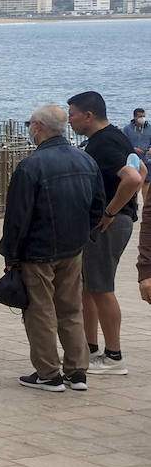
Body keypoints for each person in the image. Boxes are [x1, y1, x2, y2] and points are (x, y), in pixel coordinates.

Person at [0, 105, 103, 392]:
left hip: (38, 252)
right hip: (73, 248)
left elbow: (17, 218)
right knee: (71, 309)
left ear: (38, 127)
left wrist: (11, 256)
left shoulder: (30, 166)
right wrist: (83, 234)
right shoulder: (86, 161)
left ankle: (48, 373)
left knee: (40, 311)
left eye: (29, 124)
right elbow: (98, 207)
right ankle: (77, 371)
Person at [68, 91, 140, 377]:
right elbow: (142, 167)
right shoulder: (115, 137)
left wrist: (110, 212)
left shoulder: (105, 143)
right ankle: (90, 348)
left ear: (88, 115)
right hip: (110, 221)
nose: (69, 120)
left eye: (72, 114)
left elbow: (134, 178)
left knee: (101, 287)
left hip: (109, 223)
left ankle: (114, 356)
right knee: (89, 286)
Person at [123, 107, 151, 201]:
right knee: (134, 184)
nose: (142, 118)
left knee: (147, 183)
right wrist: (134, 149)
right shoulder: (127, 129)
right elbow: (124, 143)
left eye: (144, 116)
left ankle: (145, 204)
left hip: (147, 159)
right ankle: (134, 204)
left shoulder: (149, 128)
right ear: (135, 117)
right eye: (140, 116)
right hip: (133, 161)